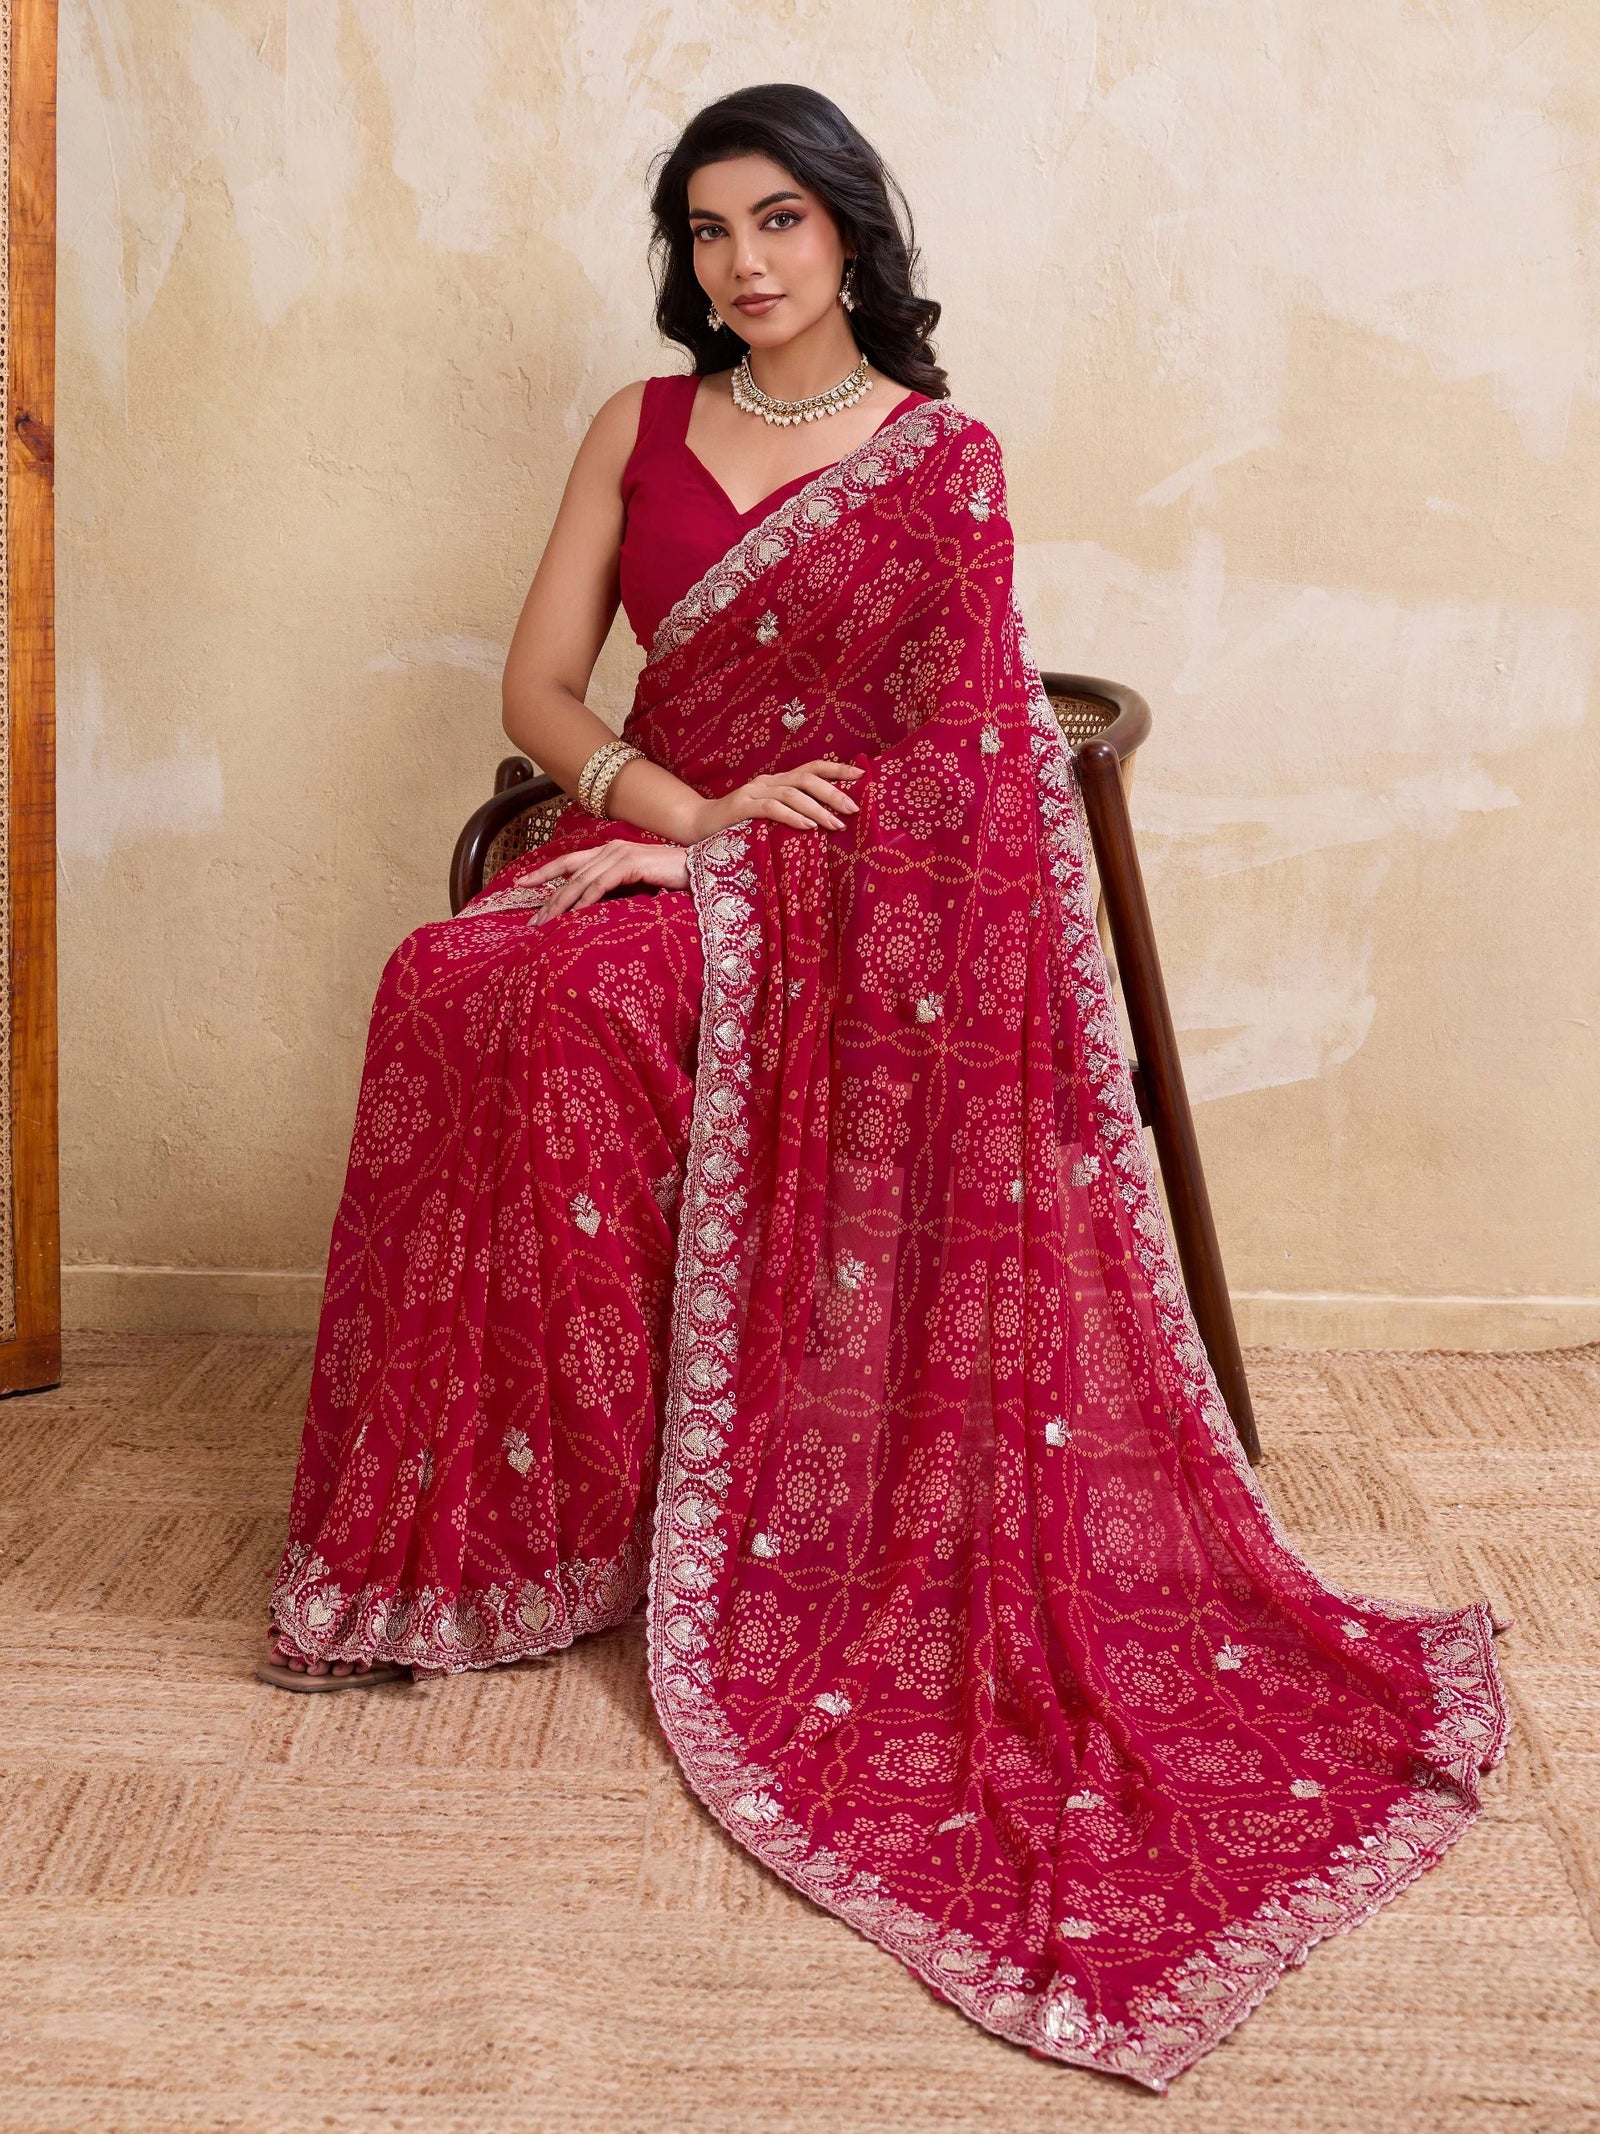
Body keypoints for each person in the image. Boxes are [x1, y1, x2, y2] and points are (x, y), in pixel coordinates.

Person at [257, 83, 1508, 2090]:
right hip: (679, 836)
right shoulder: (634, 429)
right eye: (701, 231)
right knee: (452, 981)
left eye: (775, 221)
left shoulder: (942, 459)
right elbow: (540, 692)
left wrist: (726, 860)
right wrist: (670, 807)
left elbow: (963, 764)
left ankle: (641, 1496)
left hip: (824, 899)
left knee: (580, 1016)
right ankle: (507, 1522)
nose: (737, 264)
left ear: (849, 233)